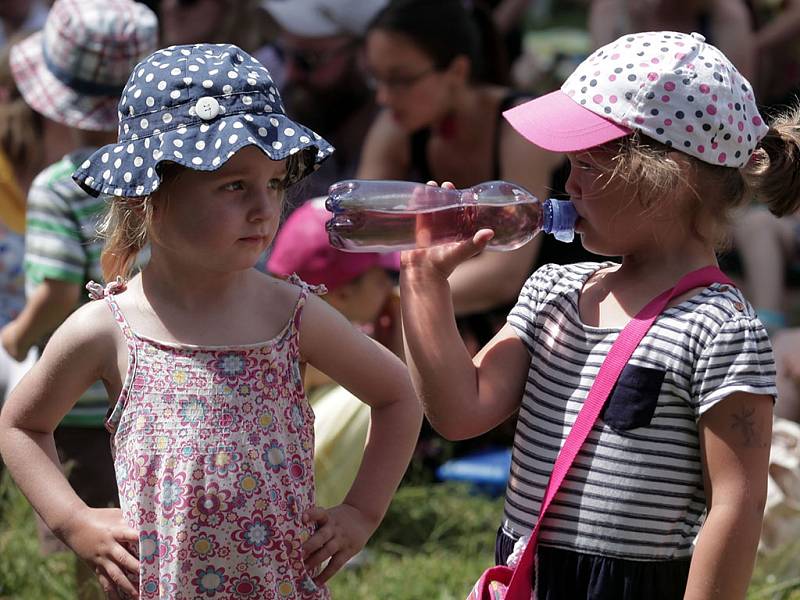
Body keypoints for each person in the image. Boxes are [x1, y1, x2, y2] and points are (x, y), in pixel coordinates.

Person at [0, 41, 421, 600]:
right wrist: (73, 520)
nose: (265, 208)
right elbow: (20, 426)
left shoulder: (290, 315)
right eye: (234, 186)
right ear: (148, 193)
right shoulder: (107, 327)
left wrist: (362, 511)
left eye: (273, 184)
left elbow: (398, 395)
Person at [401, 30, 796, 598]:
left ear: (664, 179)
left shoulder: (718, 330)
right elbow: (461, 410)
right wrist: (424, 284)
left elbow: (736, 505)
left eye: (588, 164)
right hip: (531, 572)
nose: (567, 184)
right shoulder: (552, 293)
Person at [2, 2, 158, 598]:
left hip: (79, 403)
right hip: (147, 389)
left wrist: (15, 337)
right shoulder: (158, 175)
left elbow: (54, 294)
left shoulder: (57, 187)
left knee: (94, 548)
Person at [358, 0, 565, 349]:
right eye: (375, 78)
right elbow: (361, 226)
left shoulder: (520, 131)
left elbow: (503, 277)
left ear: (457, 71)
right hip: (469, 319)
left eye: (400, 80)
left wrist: (391, 300)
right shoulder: (398, 127)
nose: (382, 96)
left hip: (557, 323)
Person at [267, 198, 402, 509]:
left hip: (274, 463)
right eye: (381, 275)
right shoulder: (298, 332)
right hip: (276, 477)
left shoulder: (274, 310)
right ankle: (321, 514)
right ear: (341, 293)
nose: (388, 285)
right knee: (370, 394)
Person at [262, 0, 389, 201]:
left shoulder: (409, 117)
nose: (291, 73)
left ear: (367, 53)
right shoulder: (265, 86)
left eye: (308, 60)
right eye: (282, 53)